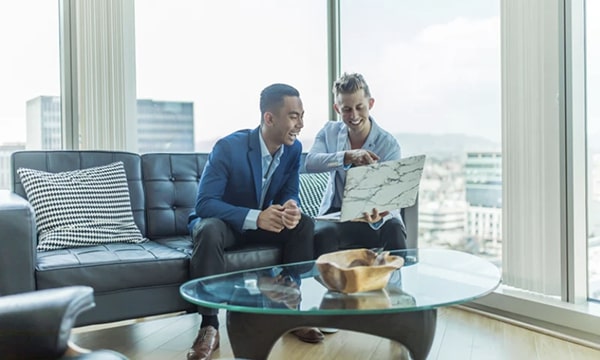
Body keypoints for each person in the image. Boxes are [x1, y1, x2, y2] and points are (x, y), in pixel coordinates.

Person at [186, 83, 322, 360]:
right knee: (208, 230)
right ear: (269, 118)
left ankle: (289, 310)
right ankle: (209, 326)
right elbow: (205, 204)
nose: (301, 124)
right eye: (294, 116)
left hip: (264, 224)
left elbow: (289, 190)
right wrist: (256, 217)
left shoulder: (293, 150)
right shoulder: (228, 147)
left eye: (302, 115)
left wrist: (291, 206)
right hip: (227, 225)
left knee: (304, 224)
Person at [304, 72, 407, 257]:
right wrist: (347, 156)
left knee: (395, 230)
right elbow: (311, 163)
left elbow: (394, 196)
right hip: (337, 215)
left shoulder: (388, 144)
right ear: (337, 108)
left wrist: (380, 214)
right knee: (322, 235)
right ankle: (330, 285)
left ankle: (395, 285)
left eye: (360, 107)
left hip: (374, 217)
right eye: (347, 109)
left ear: (371, 104)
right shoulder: (329, 132)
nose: (354, 115)